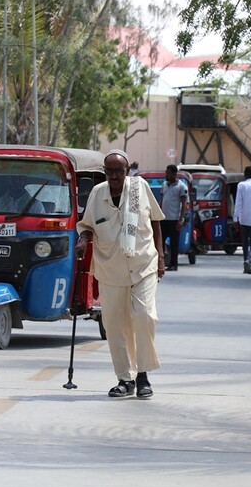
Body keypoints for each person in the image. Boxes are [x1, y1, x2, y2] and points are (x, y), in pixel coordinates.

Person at [75, 150, 165, 399]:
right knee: (115, 325)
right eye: (110, 171)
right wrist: (83, 240)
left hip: (143, 264)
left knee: (144, 316)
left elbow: (156, 220)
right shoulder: (97, 193)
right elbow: (87, 227)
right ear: (104, 172)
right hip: (110, 269)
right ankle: (125, 379)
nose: (114, 176)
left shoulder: (140, 188)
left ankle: (143, 375)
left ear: (127, 171)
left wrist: (161, 256)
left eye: (119, 171)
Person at [160, 164, 188, 271]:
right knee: (160, 241)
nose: (166, 175)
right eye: (166, 173)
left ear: (174, 174)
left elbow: (183, 204)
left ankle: (174, 264)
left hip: (174, 220)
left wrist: (180, 220)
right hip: (164, 219)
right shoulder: (164, 185)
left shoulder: (181, 187)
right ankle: (161, 262)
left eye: (168, 173)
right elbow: (162, 200)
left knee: (174, 243)